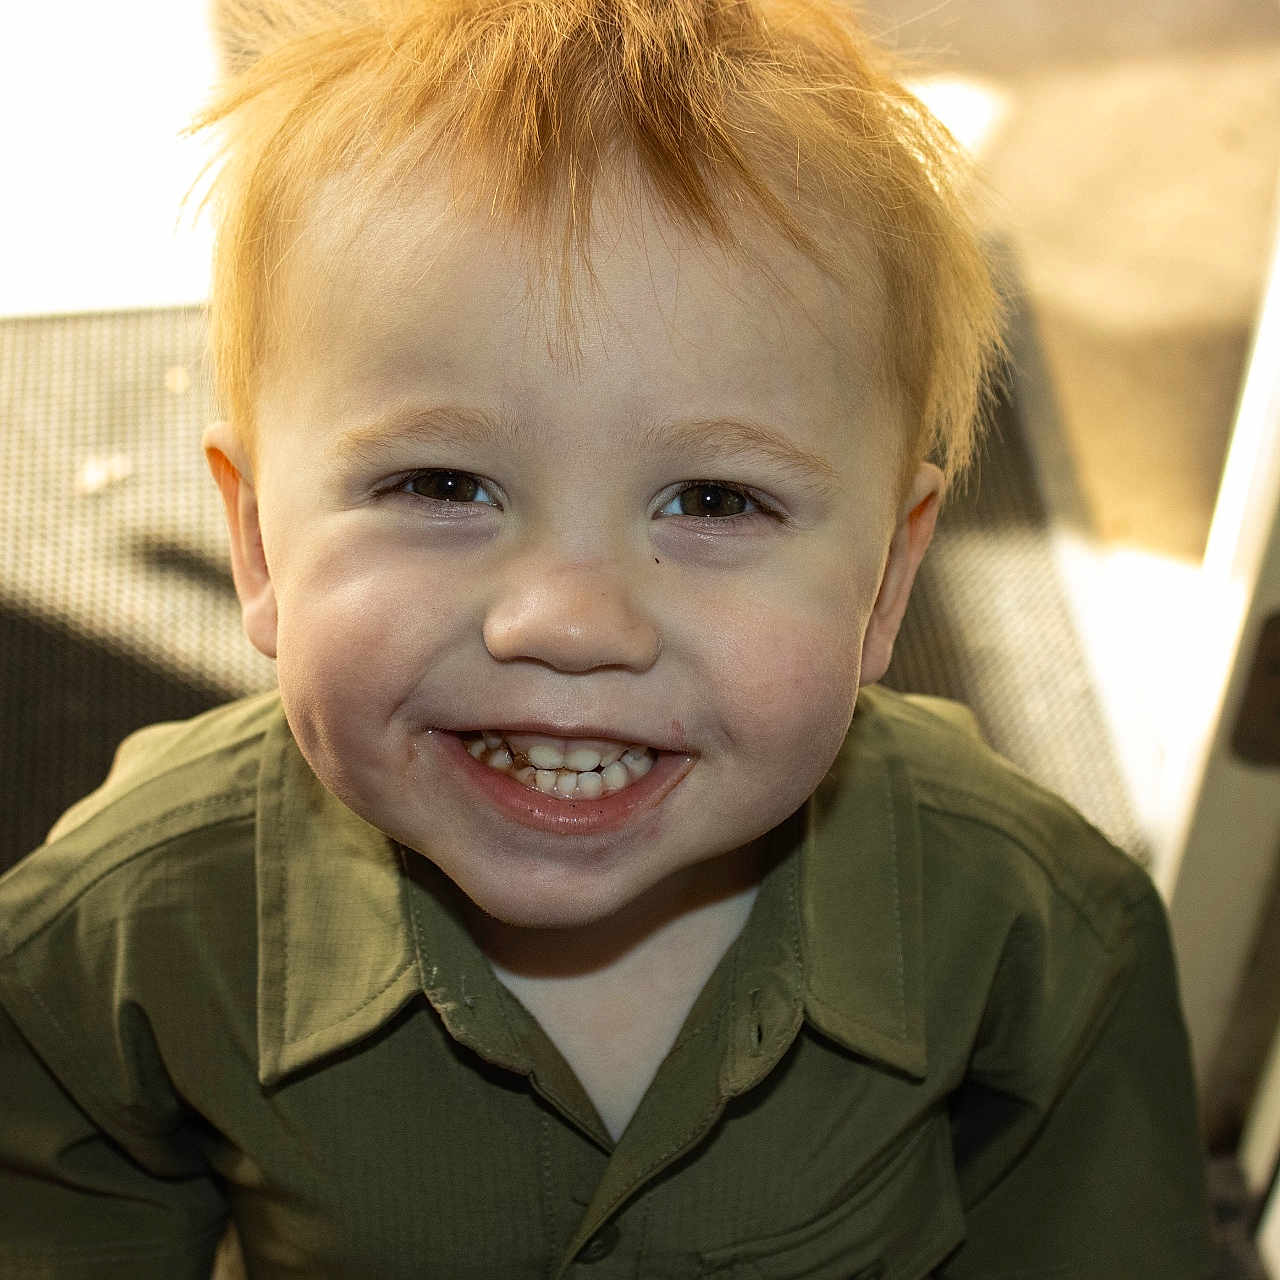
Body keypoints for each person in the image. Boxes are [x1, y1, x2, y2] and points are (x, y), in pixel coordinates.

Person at [0, 0, 1216, 1275]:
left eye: (713, 500)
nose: (569, 621)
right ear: (256, 543)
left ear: (886, 579)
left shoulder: (1039, 932)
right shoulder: (110, 939)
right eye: (442, 484)